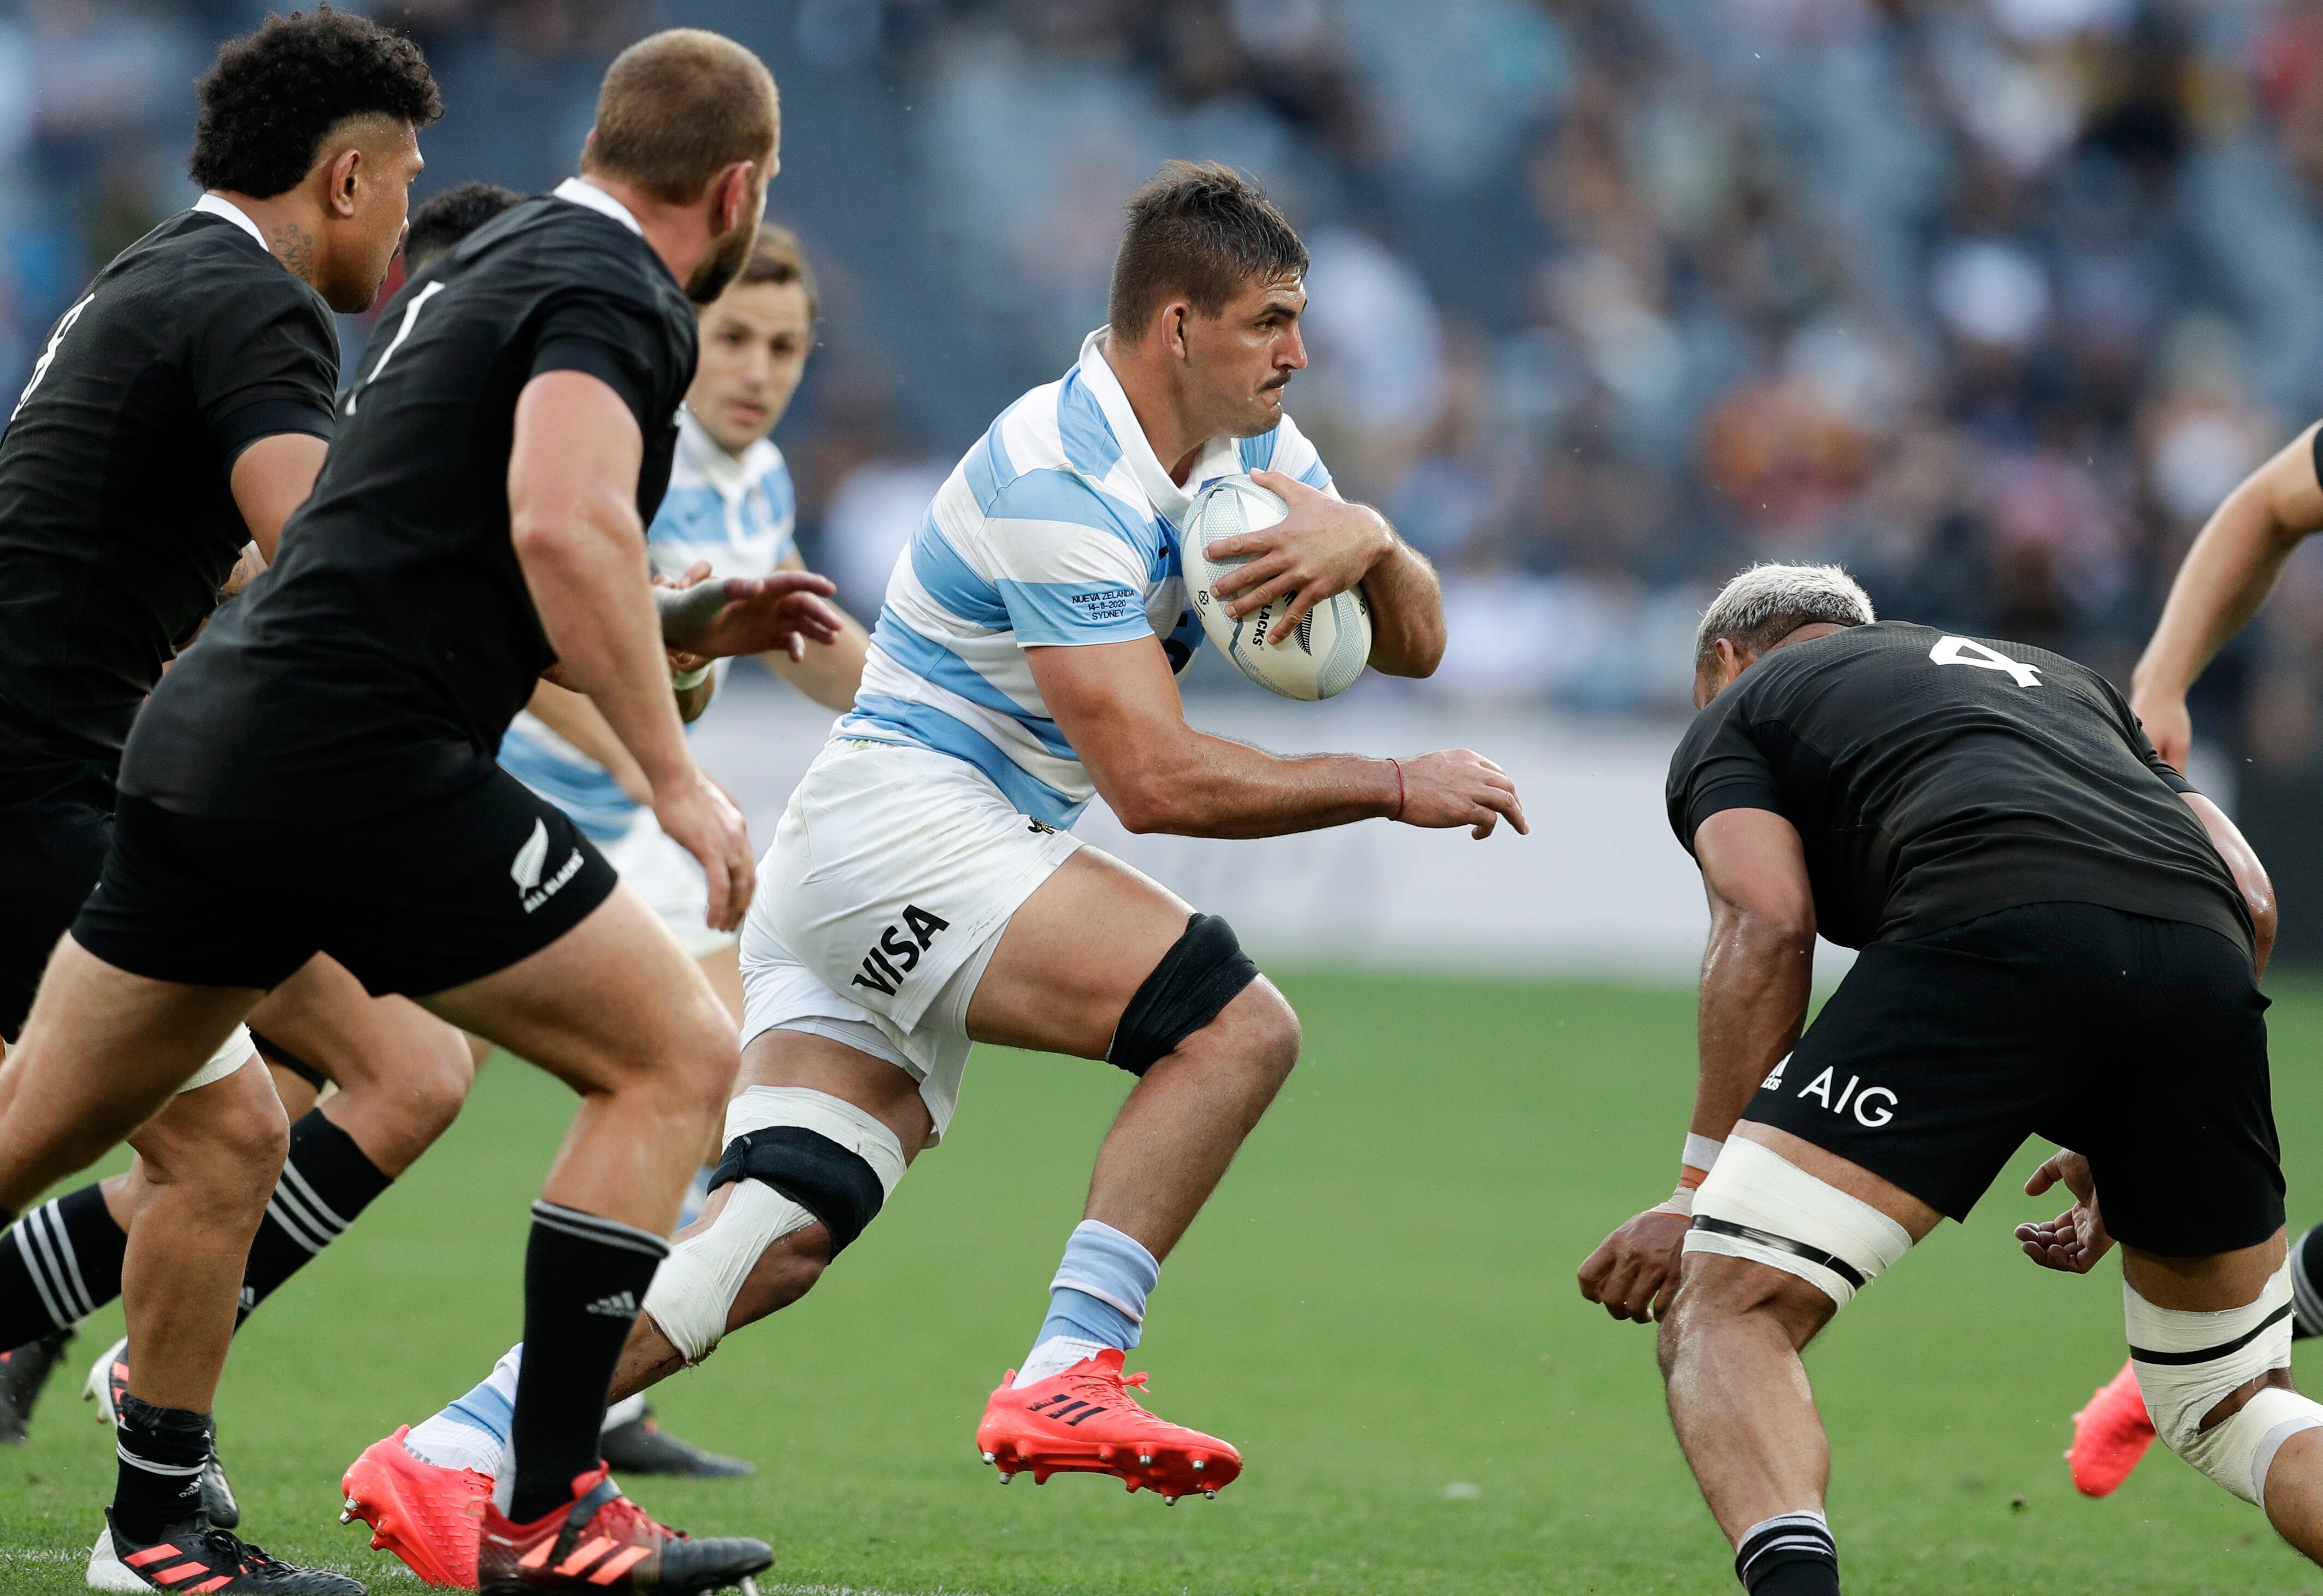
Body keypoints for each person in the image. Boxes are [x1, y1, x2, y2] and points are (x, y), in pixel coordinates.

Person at [343, 158, 1528, 1588]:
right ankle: (1074, 1361)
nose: (1297, 351)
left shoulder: (1256, 459)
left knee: (782, 1222)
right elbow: (1151, 781)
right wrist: (1392, 786)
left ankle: (457, 1449)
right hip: (909, 831)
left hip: (895, 847)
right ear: (1175, 326)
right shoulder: (1058, 473)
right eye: (1272, 320)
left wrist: (1375, 542)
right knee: (1233, 1025)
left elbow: (1412, 645)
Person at [0, 27, 840, 1596]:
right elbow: (558, 515)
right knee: (671, 1056)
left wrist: (673, 617)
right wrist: (673, 775)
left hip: (200, 742)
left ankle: (155, 1534)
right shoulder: (617, 294)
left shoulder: (496, 256)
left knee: (170, 1135)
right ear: (737, 191)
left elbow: (409, 527)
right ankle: (544, 1502)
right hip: (339, 755)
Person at [1577, 563, 2315, 1594]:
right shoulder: (2064, 681)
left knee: (1729, 1302)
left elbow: (1770, 921)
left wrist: (1695, 1194)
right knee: (2231, 1400)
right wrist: (2126, 1127)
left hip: (1983, 924)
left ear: (1724, 661)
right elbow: (2254, 893)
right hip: (2202, 960)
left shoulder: (1744, 702)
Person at [0, 177, 526, 1533]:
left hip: (101, 782)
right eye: (400, 182)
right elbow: (328, 575)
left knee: (403, 1065)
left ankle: (106, 1419)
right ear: (344, 179)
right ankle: (157, 1520)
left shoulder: (174, 282)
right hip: (37, 783)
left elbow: (239, 563)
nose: (401, 221)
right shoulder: (256, 304)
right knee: (221, 1136)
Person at [492, 218, 867, 1479]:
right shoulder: (630, 456)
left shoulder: (757, 483)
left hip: (627, 835)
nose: (758, 370)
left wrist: (945, 724)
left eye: (785, 348)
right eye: (734, 340)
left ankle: (588, 1404)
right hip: (515, 811)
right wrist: (653, 773)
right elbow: (531, 636)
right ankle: (557, 1412)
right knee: (700, 1072)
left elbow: (809, 636)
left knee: (703, 1074)